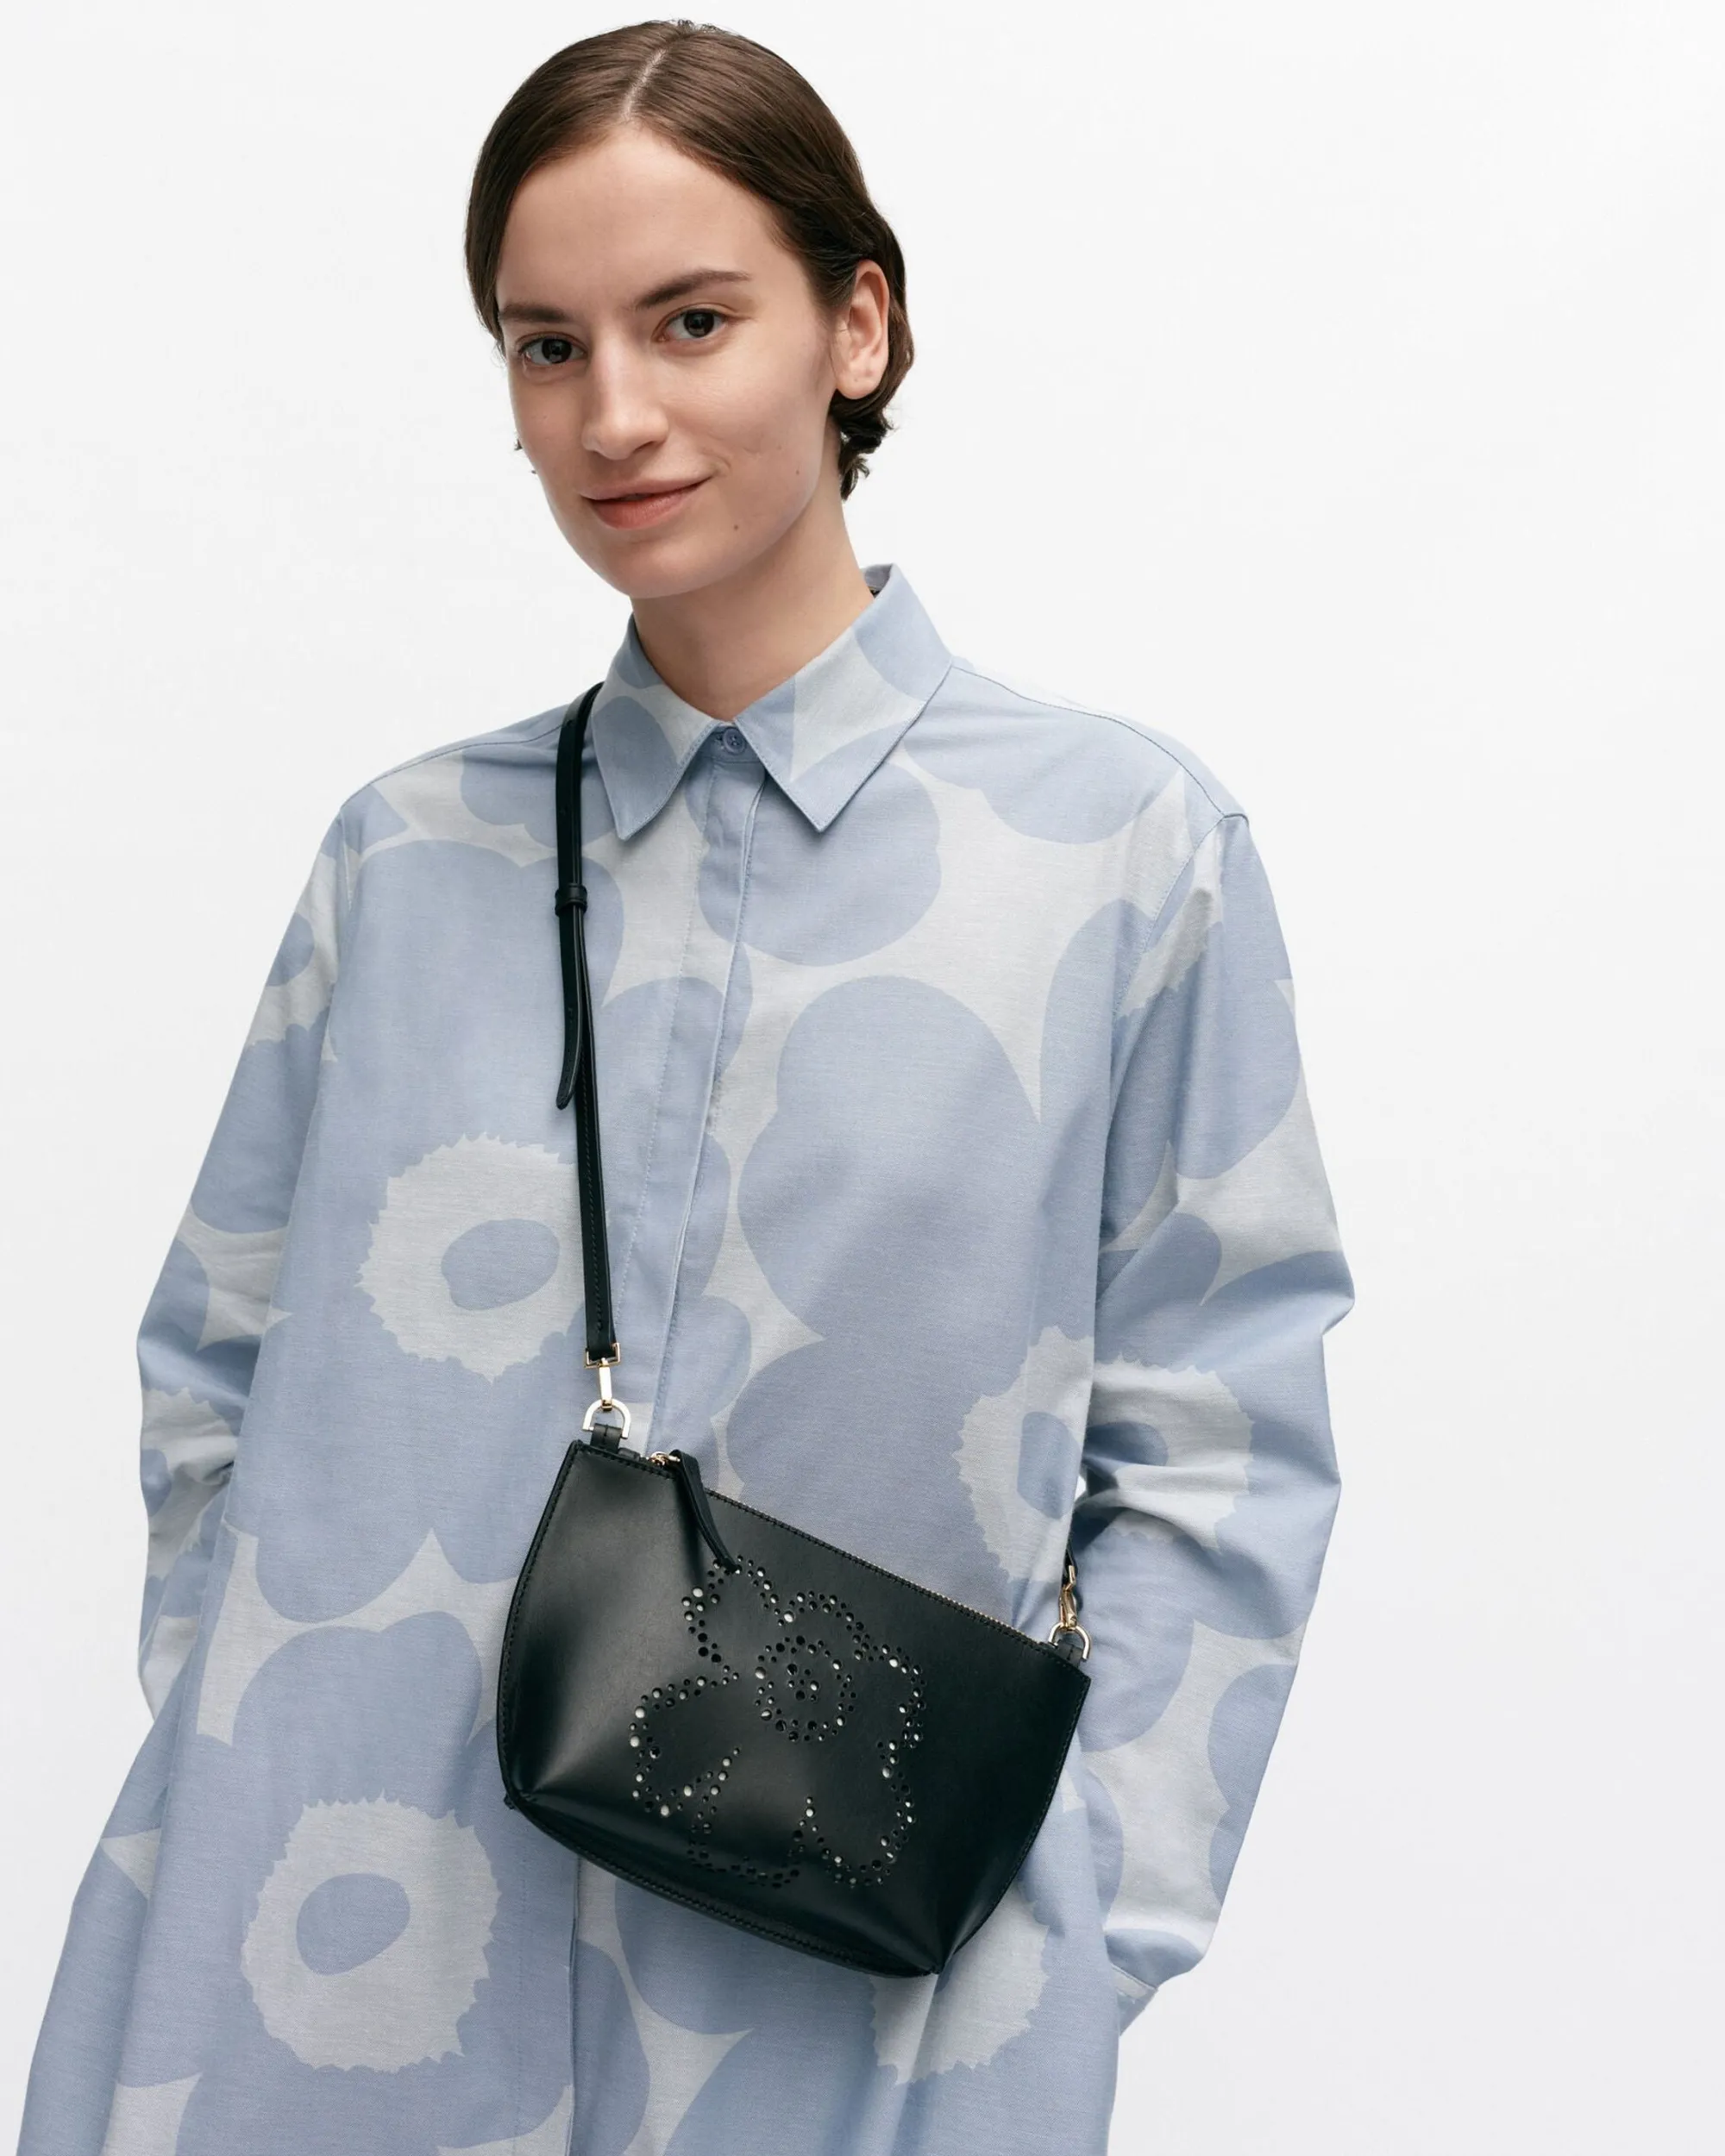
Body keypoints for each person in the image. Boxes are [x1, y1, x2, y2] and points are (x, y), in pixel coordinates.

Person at [17, 22, 1352, 2156]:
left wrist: (1079, 1930)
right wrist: (255, 1733)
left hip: (859, 2011)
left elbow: (1219, 1432)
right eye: (545, 346)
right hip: (325, 1980)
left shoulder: (1115, 849)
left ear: (856, 325)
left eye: (691, 321)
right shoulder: (404, 858)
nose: (611, 415)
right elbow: (214, 1369)